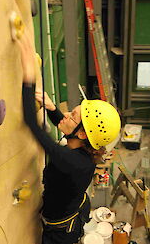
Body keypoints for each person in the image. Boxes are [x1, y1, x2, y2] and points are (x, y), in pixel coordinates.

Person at [18, 34, 121, 244]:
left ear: (82, 134)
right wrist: (52, 108)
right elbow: (67, 129)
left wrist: (28, 76)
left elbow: (32, 125)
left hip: (60, 233)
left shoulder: (71, 161)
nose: (66, 116)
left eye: (72, 116)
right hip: (74, 207)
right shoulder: (80, 150)